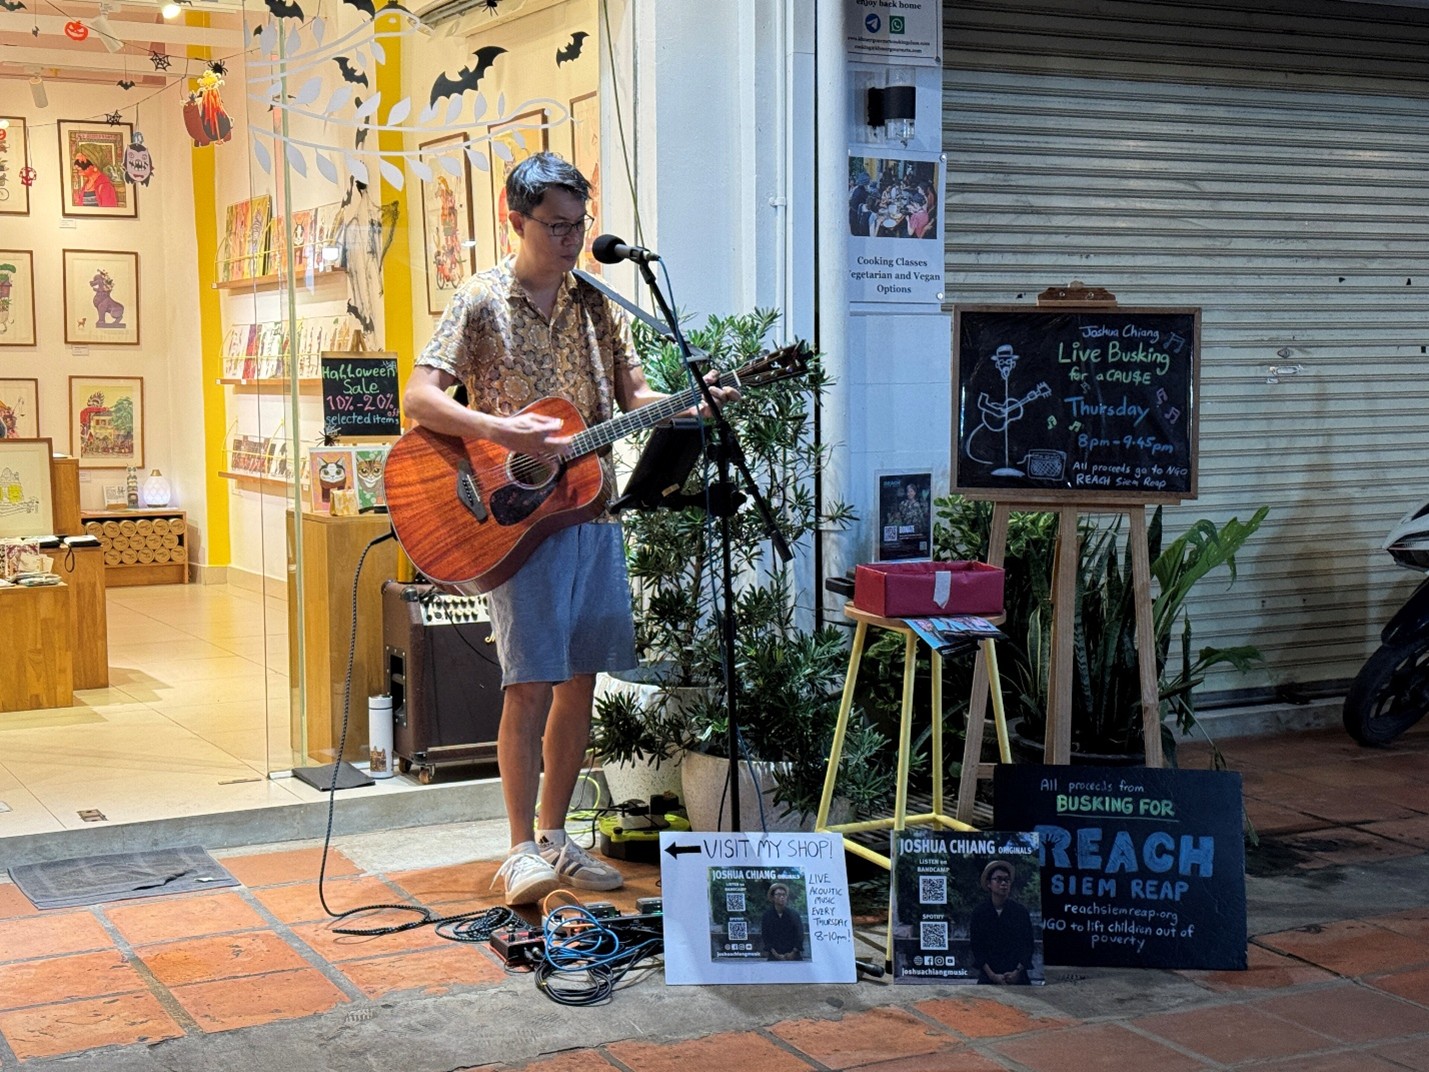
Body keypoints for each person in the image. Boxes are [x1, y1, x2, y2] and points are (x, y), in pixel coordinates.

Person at [403, 152, 735, 906]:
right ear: (513, 219)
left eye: (578, 223)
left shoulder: (595, 301)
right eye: (555, 225)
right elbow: (420, 399)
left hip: (592, 510)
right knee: (529, 683)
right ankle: (519, 847)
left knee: (580, 679)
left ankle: (557, 836)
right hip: (517, 520)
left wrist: (680, 404)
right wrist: (500, 430)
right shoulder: (481, 301)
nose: (570, 238)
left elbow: (636, 391)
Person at [968, 859, 1034, 984]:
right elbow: (977, 947)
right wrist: (992, 975)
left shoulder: (1020, 912)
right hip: (988, 977)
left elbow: (1028, 945)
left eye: (1007, 880)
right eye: (998, 879)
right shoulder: (980, 913)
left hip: (1018, 977)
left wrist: (1017, 972)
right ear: (989, 883)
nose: (1003, 883)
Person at [760, 883, 804, 961]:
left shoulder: (794, 914)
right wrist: (775, 954)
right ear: (773, 897)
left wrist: (793, 952)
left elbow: (800, 934)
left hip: (793, 956)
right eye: (779, 894)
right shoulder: (767, 916)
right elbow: (765, 936)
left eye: (784, 895)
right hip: (774, 955)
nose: (782, 897)